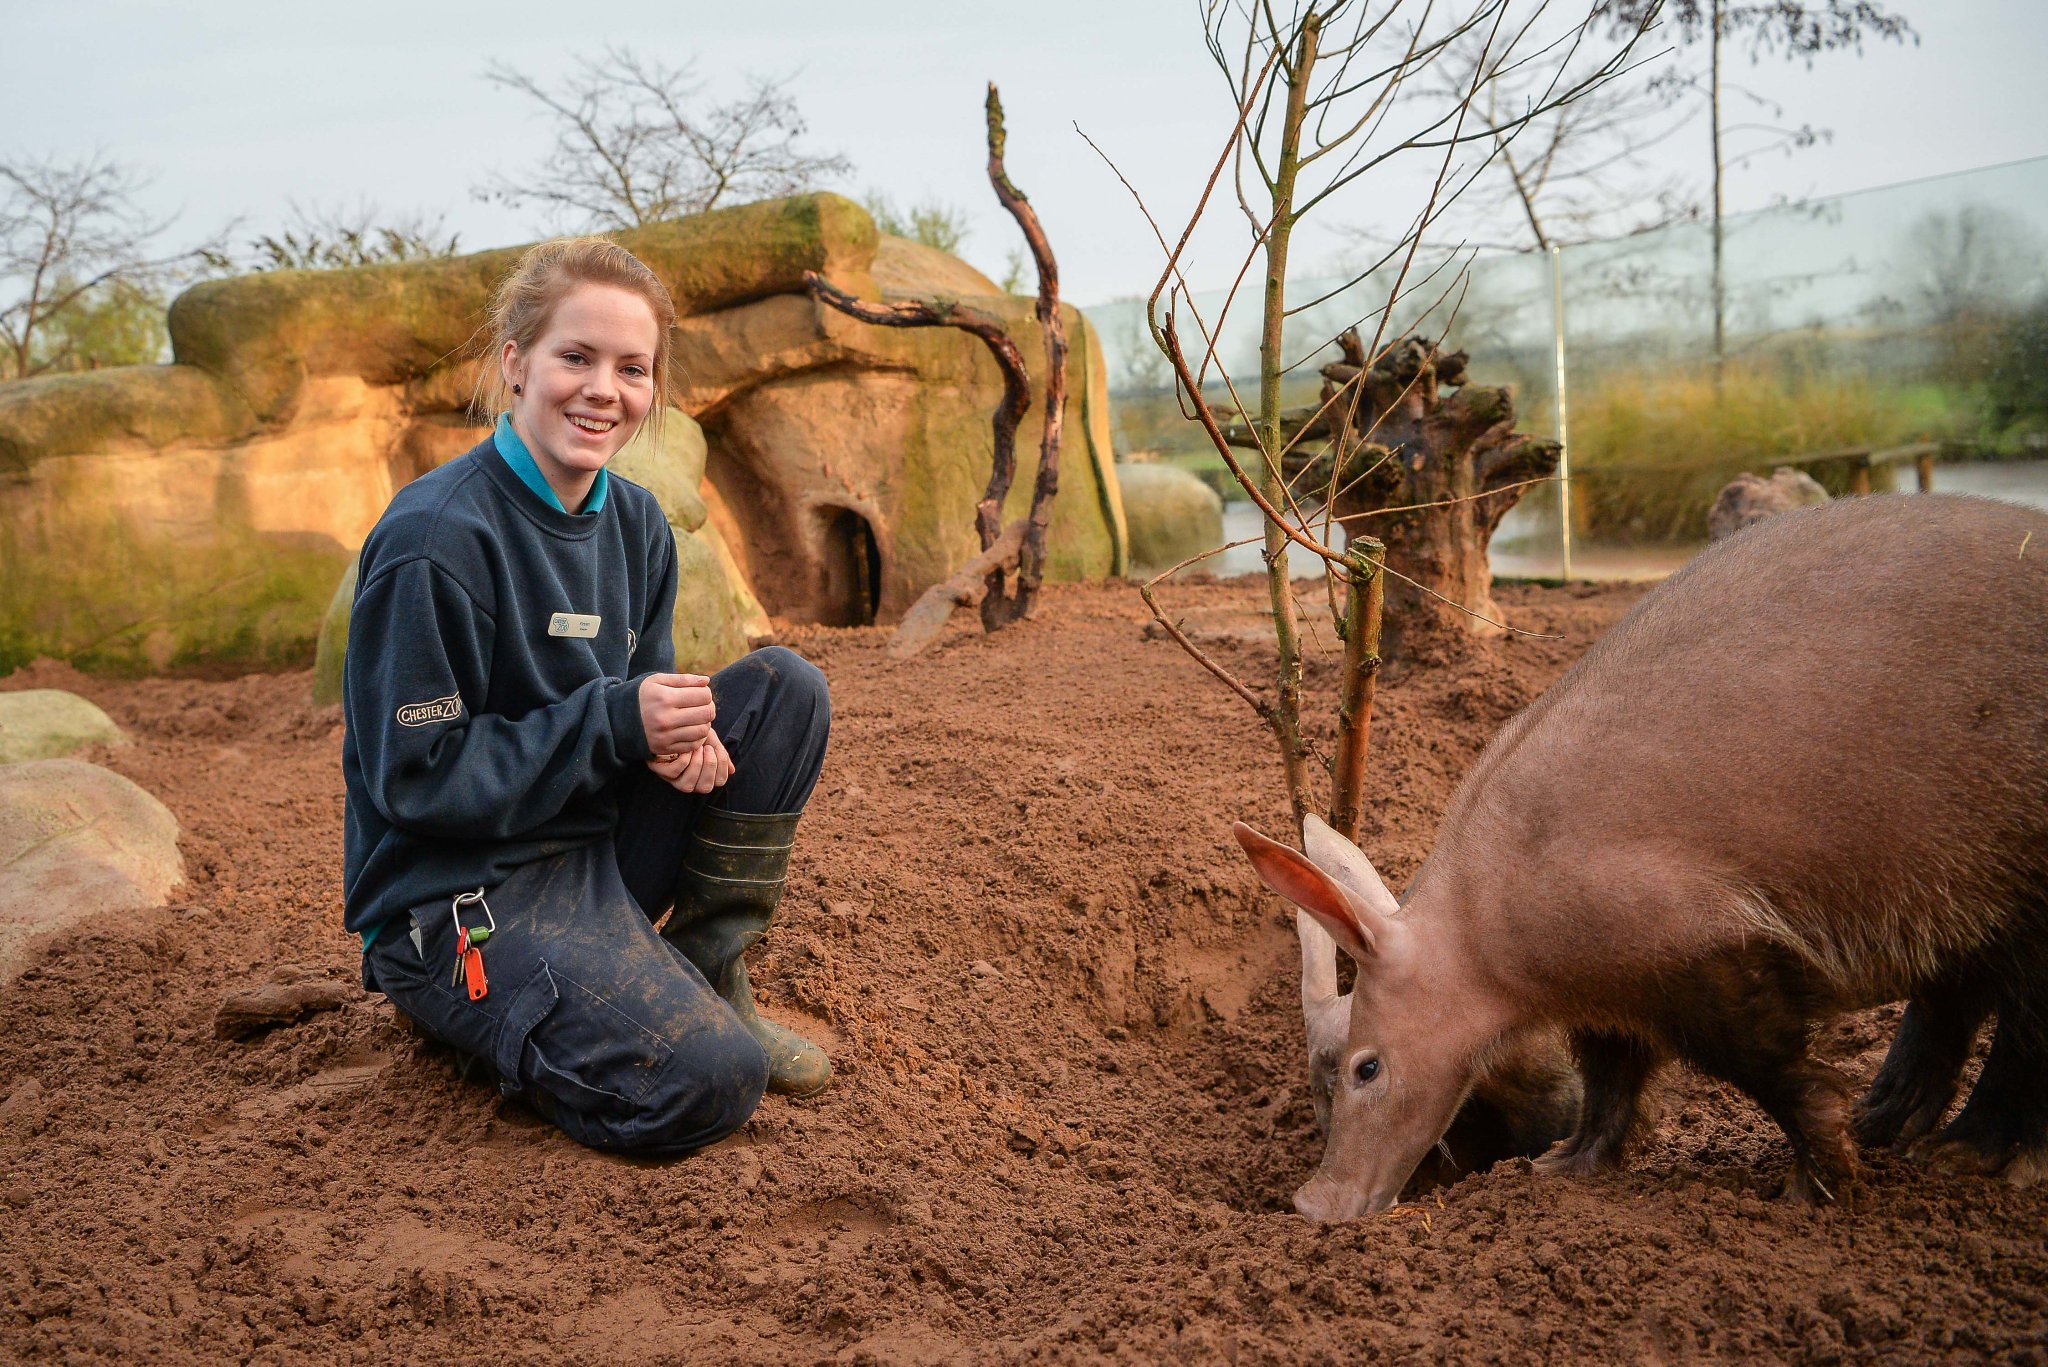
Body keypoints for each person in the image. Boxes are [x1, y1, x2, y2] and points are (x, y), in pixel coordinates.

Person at [342, 237, 832, 1155]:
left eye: (632, 368)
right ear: (516, 362)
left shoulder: (638, 522)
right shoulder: (435, 540)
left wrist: (676, 740)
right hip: (459, 897)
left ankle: (703, 971)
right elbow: (414, 782)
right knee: (713, 1081)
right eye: (576, 357)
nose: (603, 388)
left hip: (591, 847)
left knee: (785, 691)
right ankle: (480, 1022)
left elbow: (636, 698)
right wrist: (616, 721)